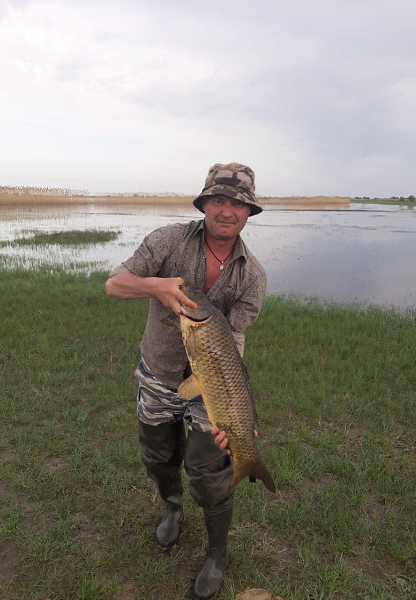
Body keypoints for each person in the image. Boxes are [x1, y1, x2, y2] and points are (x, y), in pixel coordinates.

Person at [105, 162, 266, 599]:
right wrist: (154, 286)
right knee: (158, 456)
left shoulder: (252, 276)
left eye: (238, 204)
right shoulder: (168, 241)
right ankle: (172, 509)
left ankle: (217, 551)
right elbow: (114, 284)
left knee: (209, 469)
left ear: (249, 212)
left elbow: (234, 340)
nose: (227, 210)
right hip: (158, 375)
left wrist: (239, 413)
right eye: (219, 200)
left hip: (212, 387)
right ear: (205, 204)